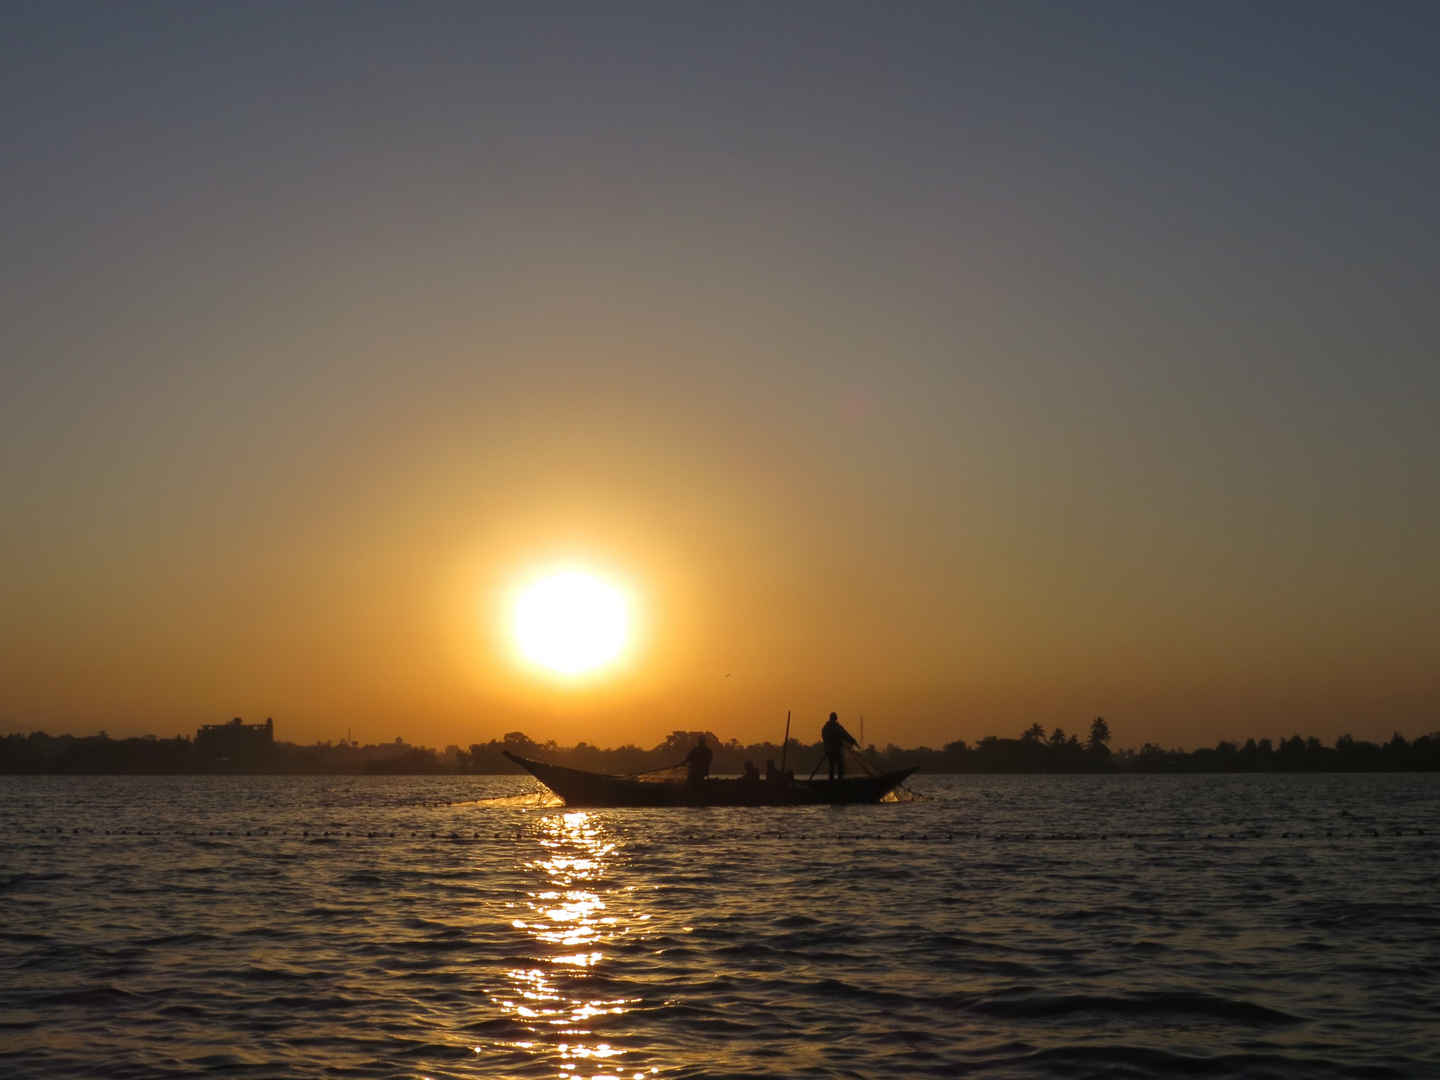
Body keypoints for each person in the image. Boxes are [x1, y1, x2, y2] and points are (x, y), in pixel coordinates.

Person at [821, 711, 857, 781]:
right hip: (831, 751)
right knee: (833, 766)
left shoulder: (837, 727)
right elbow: (825, 736)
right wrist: (833, 741)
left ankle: (839, 780)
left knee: (840, 765)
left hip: (836, 750)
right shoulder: (827, 727)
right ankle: (833, 781)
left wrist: (853, 741)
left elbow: (846, 735)